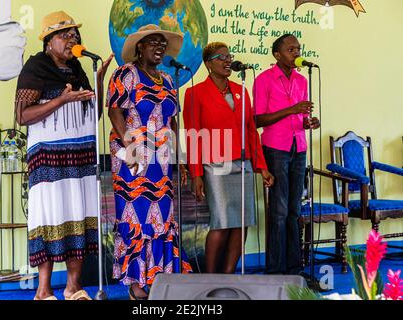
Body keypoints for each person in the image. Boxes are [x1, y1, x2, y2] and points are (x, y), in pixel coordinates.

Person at [15, 11, 113, 300]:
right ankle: (43, 292)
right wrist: (61, 100)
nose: (72, 40)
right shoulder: (35, 68)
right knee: (50, 217)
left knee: (78, 217)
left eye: (74, 35)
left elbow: (90, 117)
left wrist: (99, 81)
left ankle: (73, 287)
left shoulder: (79, 69)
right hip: (48, 161)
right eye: (65, 35)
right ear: (48, 41)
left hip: (80, 159)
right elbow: (22, 115)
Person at [106, 24, 192, 300]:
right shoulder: (126, 74)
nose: (159, 48)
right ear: (139, 47)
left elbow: (173, 118)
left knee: (161, 219)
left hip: (161, 160)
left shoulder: (167, 79)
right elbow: (115, 112)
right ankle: (136, 283)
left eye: (162, 44)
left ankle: (157, 277)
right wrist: (131, 150)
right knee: (136, 217)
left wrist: (183, 158)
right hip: (133, 158)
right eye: (153, 43)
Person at [183, 42, 274, 274]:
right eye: (221, 57)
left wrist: (261, 167)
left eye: (229, 56)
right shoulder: (195, 93)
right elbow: (193, 136)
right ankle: (211, 277)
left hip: (242, 163)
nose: (227, 61)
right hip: (215, 167)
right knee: (222, 224)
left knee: (242, 223)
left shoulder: (240, 90)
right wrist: (196, 174)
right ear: (208, 64)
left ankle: (229, 274)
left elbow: (251, 131)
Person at [252, 34, 320, 275]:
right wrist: (292, 109)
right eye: (291, 49)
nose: (297, 53)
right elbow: (258, 119)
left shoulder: (302, 81)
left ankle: (295, 267)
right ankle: (275, 270)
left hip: (298, 147)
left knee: (294, 211)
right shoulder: (264, 80)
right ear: (277, 54)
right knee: (279, 212)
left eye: (299, 49)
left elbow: (300, 119)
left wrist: (309, 122)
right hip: (275, 148)